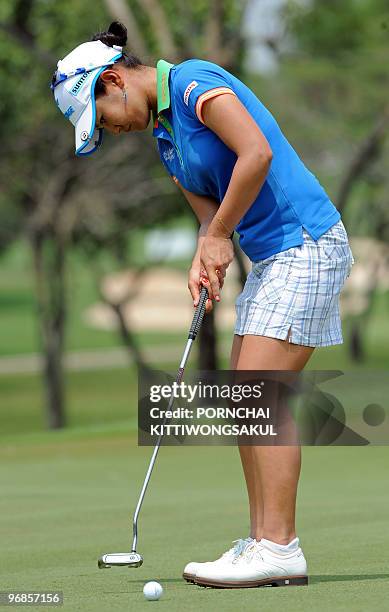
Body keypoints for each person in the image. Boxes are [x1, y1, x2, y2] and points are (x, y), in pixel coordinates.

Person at [51, 21, 354, 588]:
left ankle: (279, 546)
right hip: (271, 258)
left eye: (104, 118)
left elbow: (256, 154)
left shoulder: (193, 83)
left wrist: (219, 238)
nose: (111, 131)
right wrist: (204, 253)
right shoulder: (165, 138)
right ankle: (264, 542)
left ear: (113, 80)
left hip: (306, 242)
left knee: (260, 396)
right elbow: (207, 219)